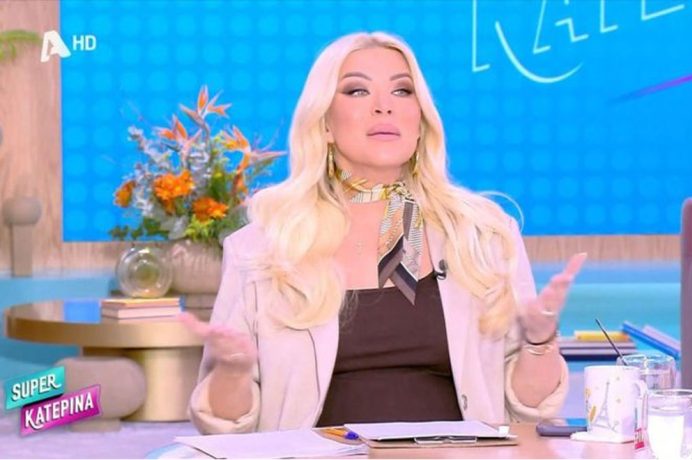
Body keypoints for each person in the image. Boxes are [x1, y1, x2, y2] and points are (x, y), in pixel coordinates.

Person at [181, 31, 586, 435]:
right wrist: (232, 371)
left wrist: (539, 342)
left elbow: (530, 411)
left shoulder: (483, 235)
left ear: (421, 121)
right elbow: (224, 428)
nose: (384, 106)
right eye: (357, 91)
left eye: (402, 91)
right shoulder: (264, 248)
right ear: (324, 123)